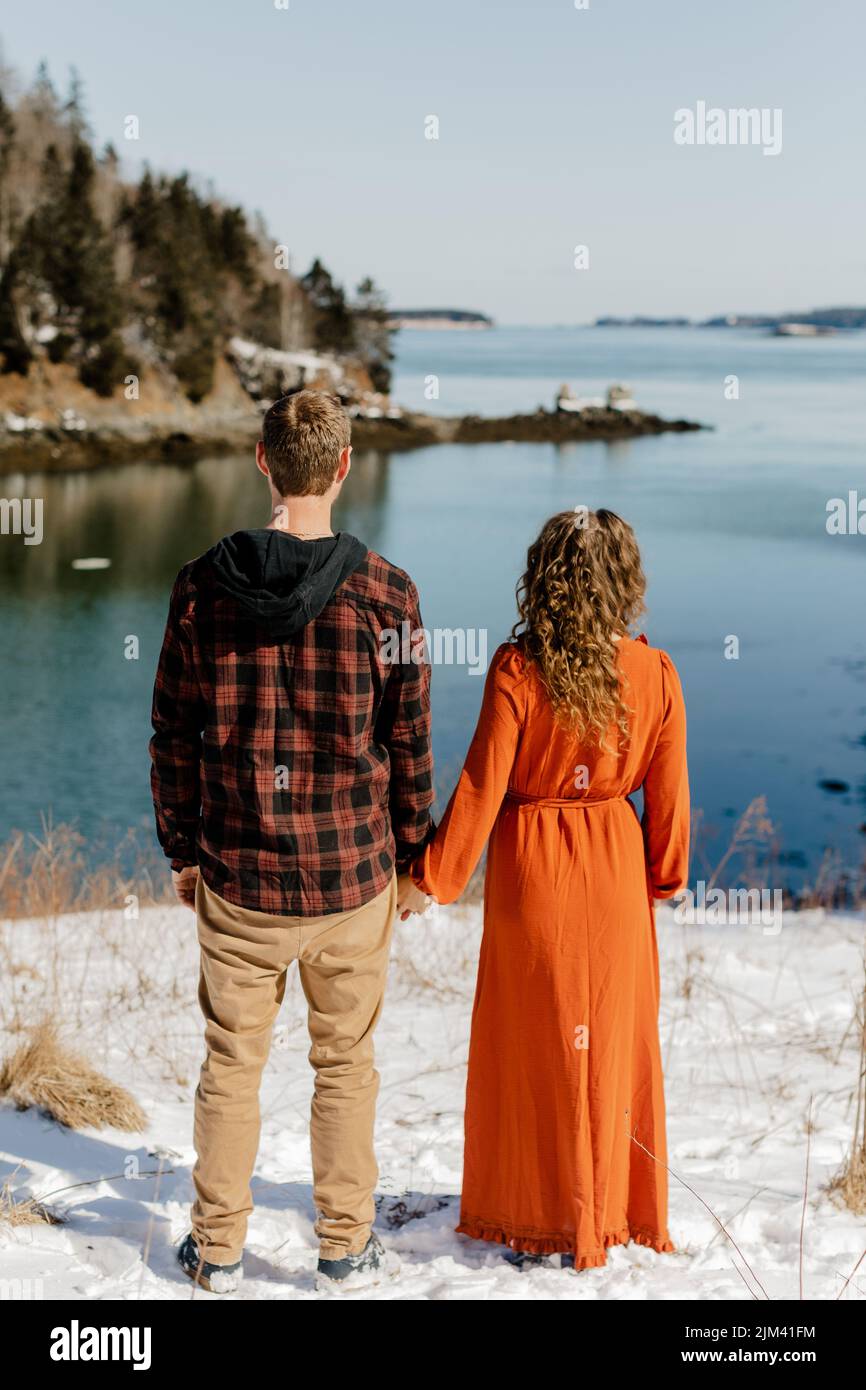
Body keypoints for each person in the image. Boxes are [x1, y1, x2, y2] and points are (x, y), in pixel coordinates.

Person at [150, 390, 433, 1294]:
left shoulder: (200, 585)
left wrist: (182, 853)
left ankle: (219, 1249)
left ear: (263, 461)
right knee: (345, 1064)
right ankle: (345, 1246)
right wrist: (413, 857)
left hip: (238, 875)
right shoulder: (388, 593)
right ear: (344, 466)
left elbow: (172, 734)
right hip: (352, 878)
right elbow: (410, 746)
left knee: (231, 1065)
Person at [408, 508, 690, 1270]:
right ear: (624, 580)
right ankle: (608, 1208)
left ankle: (536, 1211)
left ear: (544, 579)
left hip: (533, 869)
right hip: (613, 872)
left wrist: (431, 877)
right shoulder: (655, 673)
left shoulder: (517, 668)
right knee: (610, 1045)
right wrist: (662, 878)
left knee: (535, 1044)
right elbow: (669, 803)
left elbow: (480, 786)